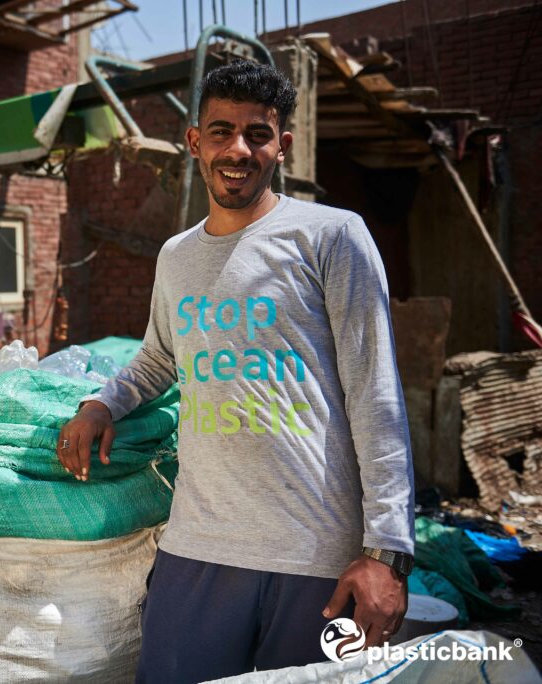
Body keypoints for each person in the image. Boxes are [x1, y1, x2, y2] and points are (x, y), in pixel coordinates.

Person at [56, 60, 414, 682]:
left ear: (283, 146)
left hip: (315, 553)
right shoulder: (177, 255)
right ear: (195, 142)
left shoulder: (331, 236)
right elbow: (161, 355)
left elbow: (375, 393)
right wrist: (101, 405)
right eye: (221, 132)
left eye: (257, 134)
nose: (238, 150)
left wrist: (387, 552)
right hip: (199, 544)